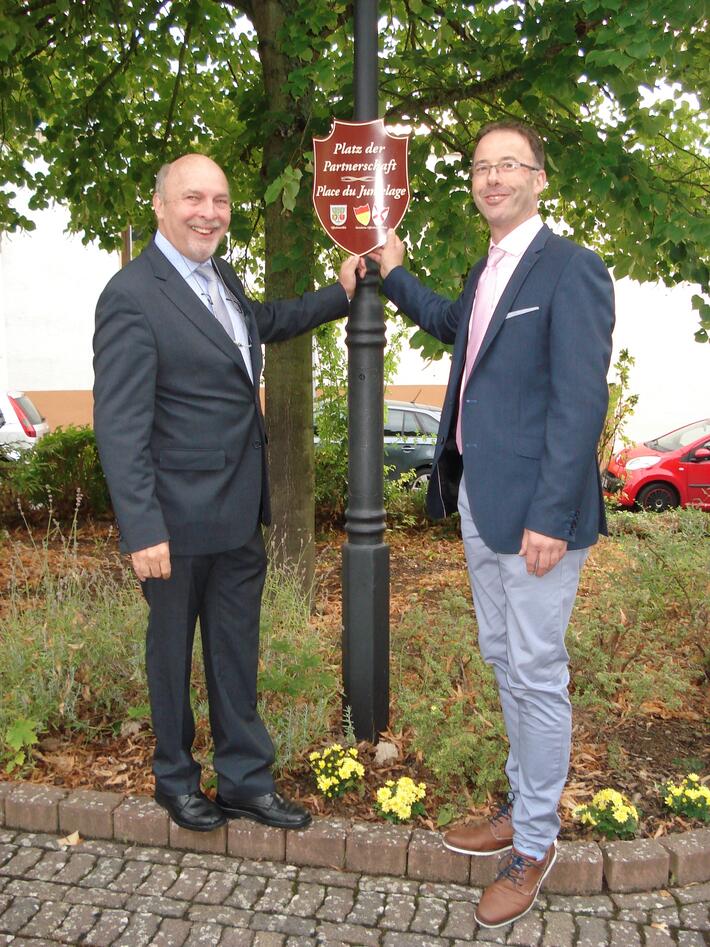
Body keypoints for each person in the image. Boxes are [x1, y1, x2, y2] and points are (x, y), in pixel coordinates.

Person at [370, 121, 614, 928]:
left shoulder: (573, 270)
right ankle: (522, 802)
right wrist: (395, 275)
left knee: (538, 669)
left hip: (539, 516)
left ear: (539, 179)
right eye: (481, 166)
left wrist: (552, 514)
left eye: (510, 164)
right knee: (505, 657)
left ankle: (536, 843)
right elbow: (454, 326)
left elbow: (581, 403)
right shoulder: (488, 271)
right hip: (479, 498)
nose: (493, 177)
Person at [94, 153, 362, 833]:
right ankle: (175, 778)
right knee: (171, 658)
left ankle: (244, 779)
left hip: (241, 512)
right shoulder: (132, 295)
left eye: (218, 200)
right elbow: (121, 426)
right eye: (192, 198)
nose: (208, 212)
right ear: (160, 205)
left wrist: (341, 292)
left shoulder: (221, 277)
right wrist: (142, 526)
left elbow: (262, 323)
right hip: (175, 525)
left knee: (236, 654)